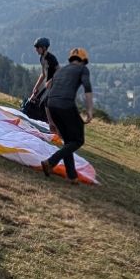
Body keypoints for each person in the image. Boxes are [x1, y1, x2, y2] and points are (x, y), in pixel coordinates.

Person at [39, 47, 95, 183]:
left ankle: (72, 176)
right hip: (66, 105)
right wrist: (89, 110)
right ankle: (50, 162)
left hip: (51, 105)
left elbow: (48, 94)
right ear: (83, 60)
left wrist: (51, 120)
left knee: (68, 142)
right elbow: (87, 88)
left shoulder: (60, 71)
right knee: (78, 140)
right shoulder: (82, 69)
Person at [24, 37, 59, 120]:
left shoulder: (51, 58)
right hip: (47, 86)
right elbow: (43, 74)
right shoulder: (41, 58)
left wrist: (51, 81)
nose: (36, 49)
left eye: (37, 47)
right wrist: (36, 87)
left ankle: (47, 122)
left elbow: (59, 71)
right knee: (35, 101)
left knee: (43, 103)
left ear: (44, 48)